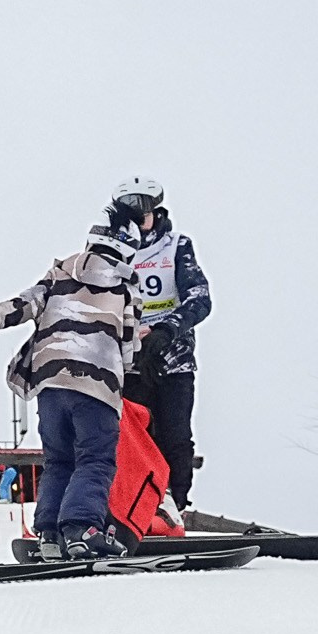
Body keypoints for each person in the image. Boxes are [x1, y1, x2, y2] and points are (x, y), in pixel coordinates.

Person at [0, 222, 141, 561]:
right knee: (95, 458)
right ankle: (82, 529)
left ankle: (49, 533)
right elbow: (129, 348)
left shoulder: (58, 275)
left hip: (50, 383)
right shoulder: (124, 289)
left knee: (58, 460)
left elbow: (18, 307)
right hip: (97, 385)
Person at [106, 176, 212, 525]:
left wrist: (167, 330)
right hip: (129, 361)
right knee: (135, 437)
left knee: (175, 435)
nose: (138, 222)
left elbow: (200, 298)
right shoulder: (111, 252)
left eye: (143, 214)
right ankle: (139, 507)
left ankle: (174, 508)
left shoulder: (177, 246)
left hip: (172, 357)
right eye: (129, 215)